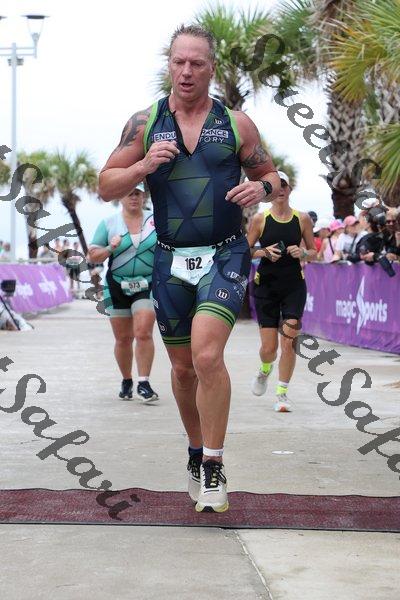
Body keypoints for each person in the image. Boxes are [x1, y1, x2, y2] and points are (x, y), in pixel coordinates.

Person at [98, 24, 280, 513]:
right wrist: (142, 167)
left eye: (196, 63)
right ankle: (196, 453)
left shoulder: (236, 123)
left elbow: (271, 176)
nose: (186, 71)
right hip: (168, 259)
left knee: (206, 356)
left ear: (211, 69)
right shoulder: (145, 123)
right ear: (169, 65)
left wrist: (262, 188)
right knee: (181, 370)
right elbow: (106, 184)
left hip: (225, 254)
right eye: (179, 61)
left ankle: (215, 465)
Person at [247, 171, 317, 412]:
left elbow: (314, 252)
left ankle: (282, 394)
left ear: (289, 189)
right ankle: (264, 369)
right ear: (271, 191)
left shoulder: (303, 218)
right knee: (269, 349)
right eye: (277, 186)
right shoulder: (260, 219)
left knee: (289, 341)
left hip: (293, 286)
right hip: (265, 286)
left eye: (284, 185)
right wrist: (264, 252)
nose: (281, 190)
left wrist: (303, 253)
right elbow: (245, 251)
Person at [89, 182, 159, 403]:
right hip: (116, 285)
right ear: (120, 197)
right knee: (123, 339)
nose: (134, 197)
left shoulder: (155, 219)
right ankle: (127, 379)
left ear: (143, 196)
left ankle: (144, 382)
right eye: (129, 194)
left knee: (143, 332)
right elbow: (93, 255)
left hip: (148, 284)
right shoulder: (109, 223)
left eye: (138, 193)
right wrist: (110, 248)